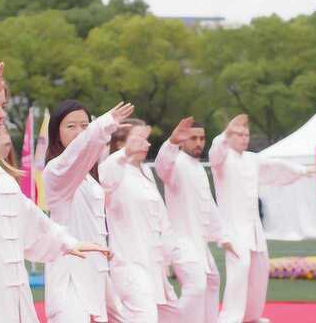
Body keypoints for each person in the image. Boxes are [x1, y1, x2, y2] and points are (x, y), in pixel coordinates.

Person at [0, 65, 108, 323]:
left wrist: (66, 242)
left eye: (3, 106)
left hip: (11, 297)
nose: (2, 115)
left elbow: (26, 216)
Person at [210, 114, 316, 323]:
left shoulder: (252, 159)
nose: (244, 138)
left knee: (259, 271)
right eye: (239, 134)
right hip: (233, 229)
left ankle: (251, 317)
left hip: (254, 229)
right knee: (239, 272)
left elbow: (276, 166)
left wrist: (303, 170)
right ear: (229, 136)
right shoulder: (221, 159)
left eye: (246, 134)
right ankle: (230, 318)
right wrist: (226, 131)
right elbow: (215, 150)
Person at [43, 99, 134, 323]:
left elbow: (87, 154)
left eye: (84, 125)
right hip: (70, 274)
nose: (79, 131)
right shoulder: (56, 172)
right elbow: (78, 152)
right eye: (71, 126)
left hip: (97, 271)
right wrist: (103, 125)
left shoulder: (89, 177)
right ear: (56, 133)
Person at [156, 117, 235, 323]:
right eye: (193, 138)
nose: (199, 142)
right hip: (182, 241)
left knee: (211, 281)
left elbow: (209, 205)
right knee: (196, 287)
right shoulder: (176, 164)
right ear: (183, 140)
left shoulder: (198, 167)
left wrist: (222, 236)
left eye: (202, 138)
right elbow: (161, 165)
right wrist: (172, 142)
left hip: (199, 242)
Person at [100, 119, 178, 322]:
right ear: (118, 143)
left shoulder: (146, 172)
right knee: (146, 317)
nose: (146, 144)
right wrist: (125, 154)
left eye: (146, 140)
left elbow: (161, 217)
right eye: (138, 140)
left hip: (153, 264)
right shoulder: (113, 170)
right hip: (129, 265)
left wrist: (172, 256)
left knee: (173, 314)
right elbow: (105, 179)